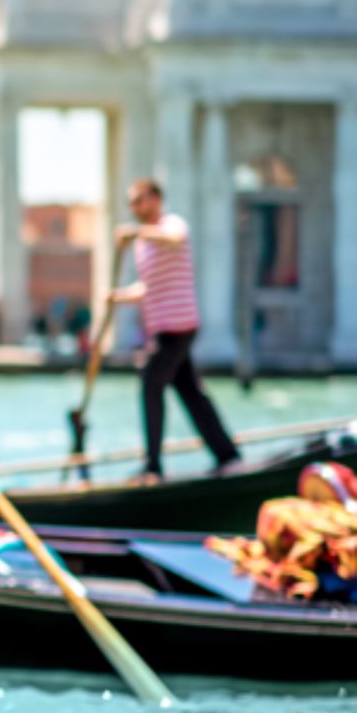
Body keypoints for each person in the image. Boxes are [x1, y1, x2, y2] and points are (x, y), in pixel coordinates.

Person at [108, 178, 241, 484]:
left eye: (139, 200)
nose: (136, 208)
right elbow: (148, 288)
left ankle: (153, 467)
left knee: (150, 383)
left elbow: (174, 238)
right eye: (132, 203)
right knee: (192, 394)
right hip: (163, 329)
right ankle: (227, 456)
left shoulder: (170, 225)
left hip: (178, 327)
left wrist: (136, 232)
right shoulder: (144, 245)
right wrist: (117, 297)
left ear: (155, 199)